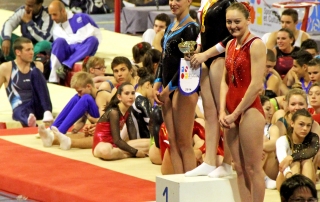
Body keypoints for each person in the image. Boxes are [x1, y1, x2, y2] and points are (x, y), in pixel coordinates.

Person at [219, 2, 266, 201]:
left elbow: (256, 85)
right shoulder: (230, 44)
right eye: (229, 22)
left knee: (253, 168)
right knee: (238, 167)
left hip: (249, 110)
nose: (233, 26)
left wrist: (235, 113)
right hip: (230, 110)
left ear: (248, 20)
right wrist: (222, 111)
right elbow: (224, 81)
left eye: (237, 21)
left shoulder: (256, 45)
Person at [185, 0, 236, 178]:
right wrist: (198, 48)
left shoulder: (228, 2)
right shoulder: (207, 1)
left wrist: (207, 53)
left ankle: (228, 163)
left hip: (219, 57)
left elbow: (231, 35)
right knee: (209, 112)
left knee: (224, 112)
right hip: (205, 57)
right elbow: (203, 29)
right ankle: (210, 160)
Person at [153, 0, 200, 174]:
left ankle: (191, 189)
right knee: (172, 142)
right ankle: (180, 185)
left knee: (184, 143)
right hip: (166, 89)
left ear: (188, 1)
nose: (173, 3)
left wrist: (168, 89)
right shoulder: (170, 27)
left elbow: (187, 64)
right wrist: (157, 82)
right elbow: (164, 59)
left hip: (183, 89)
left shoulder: (192, 29)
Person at [38, 72, 111, 150]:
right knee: (77, 97)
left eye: (80, 91)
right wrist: (76, 129)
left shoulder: (101, 95)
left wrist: (92, 120)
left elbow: (105, 119)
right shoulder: (88, 97)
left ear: (88, 86)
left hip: (107, 122)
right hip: (97, 119)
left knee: (85, 98)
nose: (79, 94)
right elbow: (83, 118)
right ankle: (53, 128)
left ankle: (59, 132)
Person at [0, 37, 53, 127]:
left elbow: (41, 89)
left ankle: (47, 111)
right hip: (21, 107)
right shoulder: (6, 68)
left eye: (32, 49)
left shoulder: (38, 65)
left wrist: (46, 109)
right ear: (18, 52)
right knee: (18, 112)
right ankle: (30, 122)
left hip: (38, 106)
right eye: (28, 50)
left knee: (36, 71)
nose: (32, 52)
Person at [48, 0, 102, 83]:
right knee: (58, 42)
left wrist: (74, 41)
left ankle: (66, 65)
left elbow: (97, 36)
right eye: (51, 15)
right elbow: (60, 47)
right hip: (70, 50)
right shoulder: (55, 28)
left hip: (82, 50)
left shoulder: (82, 17)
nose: (52, 18)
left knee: (93, 40)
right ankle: (54, 78)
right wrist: (77, 38)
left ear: (63, 11)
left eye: (54, 14)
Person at [92, 82, 149, 160]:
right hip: (102, 144)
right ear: (119, 97)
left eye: (133, 93)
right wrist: (135, 152)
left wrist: (136, 145)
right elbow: (117, 140)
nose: (131, 97)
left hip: (116, 146)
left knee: (150, 143)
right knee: (105, 151)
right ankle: (125, 155)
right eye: (127, 93)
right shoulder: (114, 112)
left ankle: (121, 153)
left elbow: (133, 136)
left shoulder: (129, 111)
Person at [276, 109, 319, 190]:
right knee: (295, 163)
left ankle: (306, 192)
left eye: (308, 125)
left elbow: (313, 150)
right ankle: (294, 192)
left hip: (307, 178)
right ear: (292, 123)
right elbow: (282, 161)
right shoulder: (283, 140)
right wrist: (289, 175)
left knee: (307, 161)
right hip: (286, 179)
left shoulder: (313, 138)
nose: (305, 128)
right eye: (301, 124)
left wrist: (291, 157)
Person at [260, 95, 280, 189]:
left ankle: (264, 178)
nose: (271, 112)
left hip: (270, 168)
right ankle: (260, 176)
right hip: (251, 165)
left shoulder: (272, 128)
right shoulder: (246, 127)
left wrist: (258, 148)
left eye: (271, 109)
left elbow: (274, 144)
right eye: (267, 109)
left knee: (264, 140)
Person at [132, 67, 154, 138]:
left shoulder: (132, 98)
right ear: (148, 85)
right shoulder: (142, 100)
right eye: (153, 87)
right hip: (143, 141)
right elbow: (151, 125)